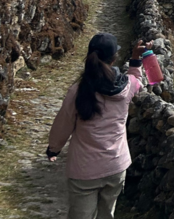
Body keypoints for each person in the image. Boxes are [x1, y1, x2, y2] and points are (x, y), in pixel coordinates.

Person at [46, 33, 152, 219]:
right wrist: (136, 58)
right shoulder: (126, 87)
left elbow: (64, 123)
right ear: (114, 58)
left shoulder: (78, 90)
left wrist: (53, 149)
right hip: (116, 165)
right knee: (107, 214)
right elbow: (137, 80)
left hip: (84, 169)